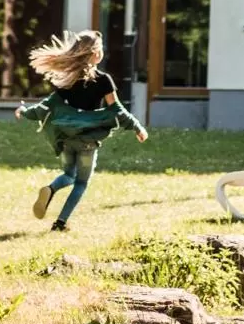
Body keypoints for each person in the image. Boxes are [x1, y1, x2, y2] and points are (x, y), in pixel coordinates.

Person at [14, 30, 148, 231]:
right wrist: (137, 127)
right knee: (81, 183)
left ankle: (51, 188)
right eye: (101, 49)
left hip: (66, 139)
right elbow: (117, 109)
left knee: (68, 175)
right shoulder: (104, 80)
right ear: (95, 53)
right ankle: (60, 223)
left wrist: (24, 111)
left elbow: (46, 106)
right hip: (87, 141)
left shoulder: (68, 79)